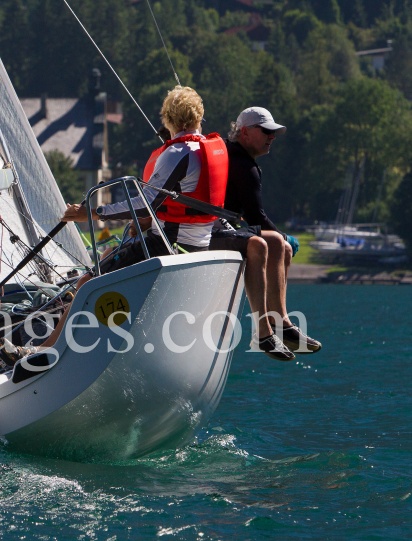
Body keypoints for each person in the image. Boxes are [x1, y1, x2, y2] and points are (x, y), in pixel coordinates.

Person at [61, 85, 228, 268]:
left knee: (84, 283)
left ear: (168, 119)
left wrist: (92, 213)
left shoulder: (178, 152)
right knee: (109, 254)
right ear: (199, 118)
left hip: (166, 247)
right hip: (200, 248)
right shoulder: (212, 151)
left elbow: (145, 205)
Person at [209, 107, 321, 360]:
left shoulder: (229, 154)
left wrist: (280, 238)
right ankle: (266, 332)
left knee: (280, 244)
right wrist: (283, 236)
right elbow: (255, 217)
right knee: (277, 243)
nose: (272, 137)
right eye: (267, 132)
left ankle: (280, 322)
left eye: (274, 133)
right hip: (209, 232)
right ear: (245, 132)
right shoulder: (244, 166)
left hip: (219, 228)